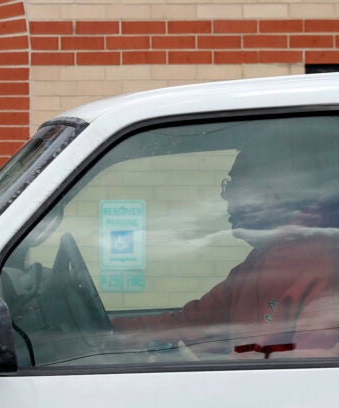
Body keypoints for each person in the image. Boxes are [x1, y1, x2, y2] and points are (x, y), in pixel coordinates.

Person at [111, 143, 339, 359]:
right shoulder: (259, 262)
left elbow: (314, 368)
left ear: (269, 195)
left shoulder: (322, 265)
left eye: (234, 184)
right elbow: (193, 326)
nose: (225, 195)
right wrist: (108, 333)